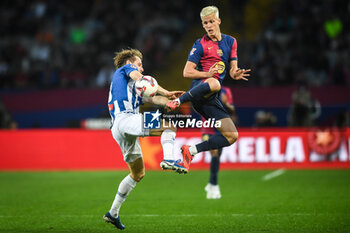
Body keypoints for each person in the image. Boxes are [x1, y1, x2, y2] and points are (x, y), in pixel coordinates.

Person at [103, 48, 185, 230]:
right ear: (129, 64)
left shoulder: (134, 87)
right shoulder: (123, 71)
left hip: (120, 127)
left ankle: (112, 213)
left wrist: (170, 98)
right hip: (125, 119)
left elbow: (154, 99)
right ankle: (170, 158)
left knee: (138, 173)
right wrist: (161, 89)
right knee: (170, 126)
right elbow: (142, 79)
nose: (141, 67)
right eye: (139, 64)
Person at [166, 6, 250, 171]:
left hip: (212, 97)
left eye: (212, 21)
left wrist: (236, 73)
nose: (209, 25)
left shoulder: (231, 41)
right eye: (205, 23)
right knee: (214, 82)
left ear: (218, 21)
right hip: (199, 89)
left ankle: (190, 151)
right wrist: (207, 73)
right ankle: (178, 102)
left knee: (232, 136)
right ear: (203, 25)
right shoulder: (200, 44)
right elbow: (187, 72)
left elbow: (232, 69)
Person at [202, 86, 236, 199]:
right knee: (214, 153)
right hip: (208, 128)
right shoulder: (204, 87)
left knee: (216, 157)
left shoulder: (226, 90)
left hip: (221, 128)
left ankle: (211, 184)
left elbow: (232, 110)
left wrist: (225, 103)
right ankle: (214, 185)